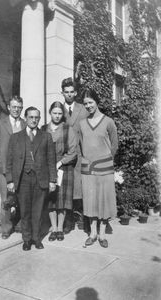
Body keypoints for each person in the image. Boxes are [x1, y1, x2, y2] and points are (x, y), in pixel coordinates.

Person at [6, 107, 57, 251]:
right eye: (31, 117)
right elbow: (9, 161)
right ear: (25, 118)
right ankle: (27, 239)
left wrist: (52, 180)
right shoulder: (15, 137)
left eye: (37, 117)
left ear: (39, 119)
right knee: (25, 211)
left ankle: (36, 238)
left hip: (41, 179)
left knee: (38, 211)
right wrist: (10, 180)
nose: (34, 120)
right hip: (23, 180)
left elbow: (51, 161)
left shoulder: (46, 137)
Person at [79, 88, 118, 248]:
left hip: (105, 169)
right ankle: (93, 233)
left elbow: (114, 145)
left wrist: (106, 160)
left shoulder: (108, 121)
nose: (88, 106)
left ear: (96, 102)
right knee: (90, 201)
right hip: (88, 169)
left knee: (103, 201)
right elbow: (82, 146)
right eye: (85, 104)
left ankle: (102, 235)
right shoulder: (82, 123)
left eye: (91, 102)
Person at [0, 95, 26, 239]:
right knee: (6, 200)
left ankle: (20, 224)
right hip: (5, 169)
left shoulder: (24, 124)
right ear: (9, 107)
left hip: (21, 169)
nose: (16, 110)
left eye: (19, 107)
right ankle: (6, 228)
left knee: (21, 197)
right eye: (14, 107)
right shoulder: (0, 124)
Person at [42, 101, 77, 241]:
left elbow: (73, 151)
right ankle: (54, 227)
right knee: (51, 199)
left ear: (63, 114)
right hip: (47, 168)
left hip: (64, 168)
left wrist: (60, 162)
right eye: (54, 113)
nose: (57, 116)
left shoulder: (68, 129)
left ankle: (60, 228)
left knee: (61, 200)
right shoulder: (43, 129)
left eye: (60, 113)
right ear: (50, 113)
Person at [62, 77, 88, 233]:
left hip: (79, 154)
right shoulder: (58, 109)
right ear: (62, 93)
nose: (69, 95)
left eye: (72, 92)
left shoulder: (83, 109)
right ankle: (67, 221)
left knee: (81, 188)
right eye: (66, 92)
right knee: (66, 189)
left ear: (76, 92)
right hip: (64, 156)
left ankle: (84, 219)